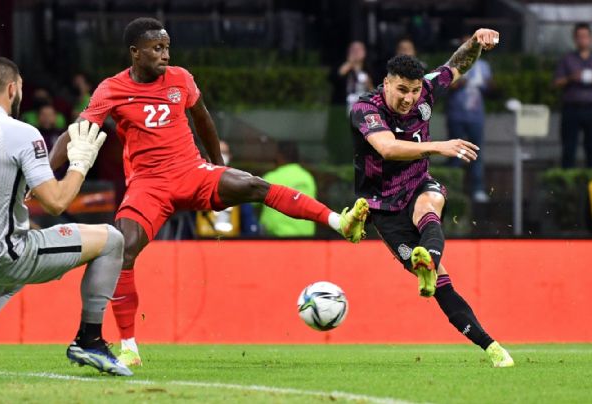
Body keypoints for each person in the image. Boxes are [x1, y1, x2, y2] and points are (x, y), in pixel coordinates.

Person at [49, 17, 364, 367]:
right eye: (157, 48)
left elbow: (203, 120)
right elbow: (77, 130)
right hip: (148, 185)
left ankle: (340, 222)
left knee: (253, 184)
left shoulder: (181, 79)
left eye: (167, 47)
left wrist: (217, 166)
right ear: (135, 53)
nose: (165, 55)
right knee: (123, 249)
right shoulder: (111, 89)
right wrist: (45, 172)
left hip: (190, 171)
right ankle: (129, 347)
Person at [0, 57, 132, 377]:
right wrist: (80, 164)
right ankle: (89, 339)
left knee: (7, 281)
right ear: (12, 88)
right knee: (112, 240)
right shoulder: (21, 132)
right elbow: (57, 203)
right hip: (9, 252)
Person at [348, 29, 514, 367]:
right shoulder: (366, 107)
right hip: (382, 204)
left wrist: (474, 42)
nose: (408, 99)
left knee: (431, 205)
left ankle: (496, 351)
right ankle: (432, 267)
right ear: (386, 83)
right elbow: (387, 148)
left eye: (413, 91)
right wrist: (439, 146)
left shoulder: (426, 87)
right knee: (441, 283)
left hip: (418, 183)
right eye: (401, 90)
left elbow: (456, 66)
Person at [446, 35, 492, 203]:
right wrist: (461, 82)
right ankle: (453, 190)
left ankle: (478, 189)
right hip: (457, 114)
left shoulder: (484, 65)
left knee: (476, 153)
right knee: (455, 153)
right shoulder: (453, 63)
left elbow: (490, 89)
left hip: (476, 116)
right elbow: (445, 86)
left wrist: (487, 85)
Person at [554, 22, 592, 168]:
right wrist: (571, 78)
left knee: (591, 148)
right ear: (575, 39)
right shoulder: (567, 59)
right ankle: (567, 185)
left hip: (591, 108)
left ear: (590, 38)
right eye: (579, 37)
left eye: (585, 36)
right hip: (572, 108)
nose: (582, 40)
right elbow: (556, 82)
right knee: (569, 148)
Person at [259, 141, 317, 237]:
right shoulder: (308, 178)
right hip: (306, 238)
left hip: (277, 239)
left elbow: (251, 201)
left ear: (279, 156)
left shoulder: (271, 177)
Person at [338, 41, 374, 112]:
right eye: (353, 50)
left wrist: (368, 84)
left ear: (364, 52)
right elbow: (340, 75)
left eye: (359, 49)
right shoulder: (346, 67)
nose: (356, 52)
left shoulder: (369, 68)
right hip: (345, 106)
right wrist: (351, 62)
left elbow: (373, 92)